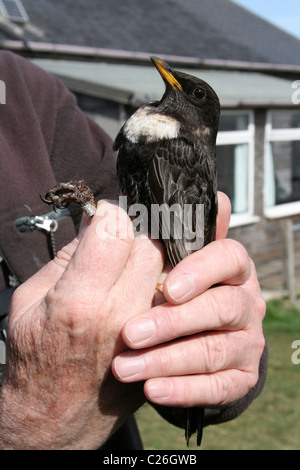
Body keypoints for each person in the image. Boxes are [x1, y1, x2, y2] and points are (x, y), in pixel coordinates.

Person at [0, 51, 267, 450]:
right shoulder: (152, 129)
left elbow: (139, 227)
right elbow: (130, 223)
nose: (171, 81)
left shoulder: (26, 91)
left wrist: (221, 346)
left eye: (189, 90)